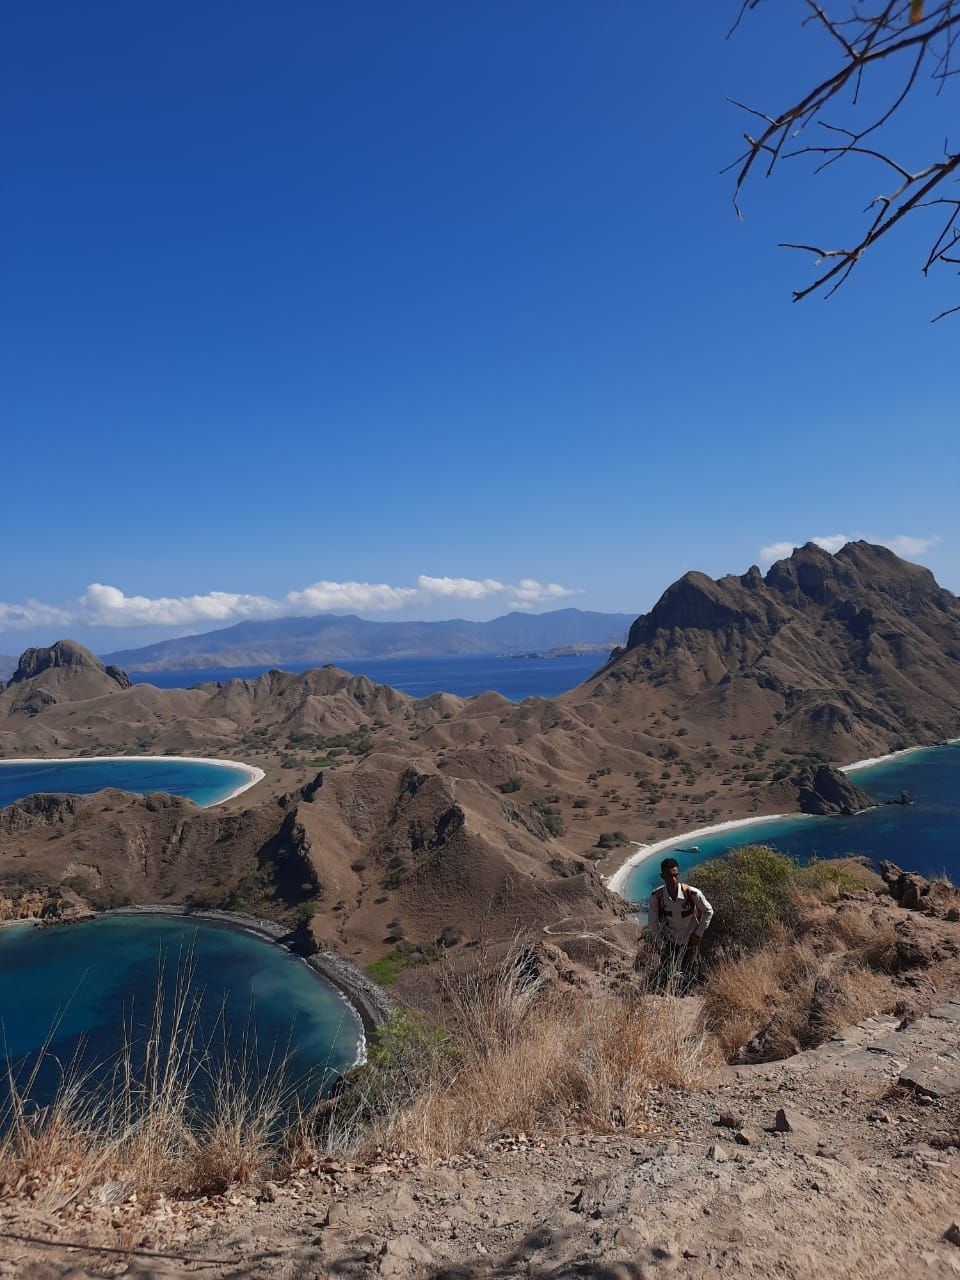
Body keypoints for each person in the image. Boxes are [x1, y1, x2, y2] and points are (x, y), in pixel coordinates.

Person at [648, 857, 714, 963]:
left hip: (690, 942)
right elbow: (653, 921)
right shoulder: (657, 897)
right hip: (669, 944)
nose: (673, 879)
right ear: (662, 876)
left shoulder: (692, 893)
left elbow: (708, 911)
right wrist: (661, 945)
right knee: (669, 973)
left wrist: (698, 934)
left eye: (675, 875)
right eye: (669, 876)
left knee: (691, 973)